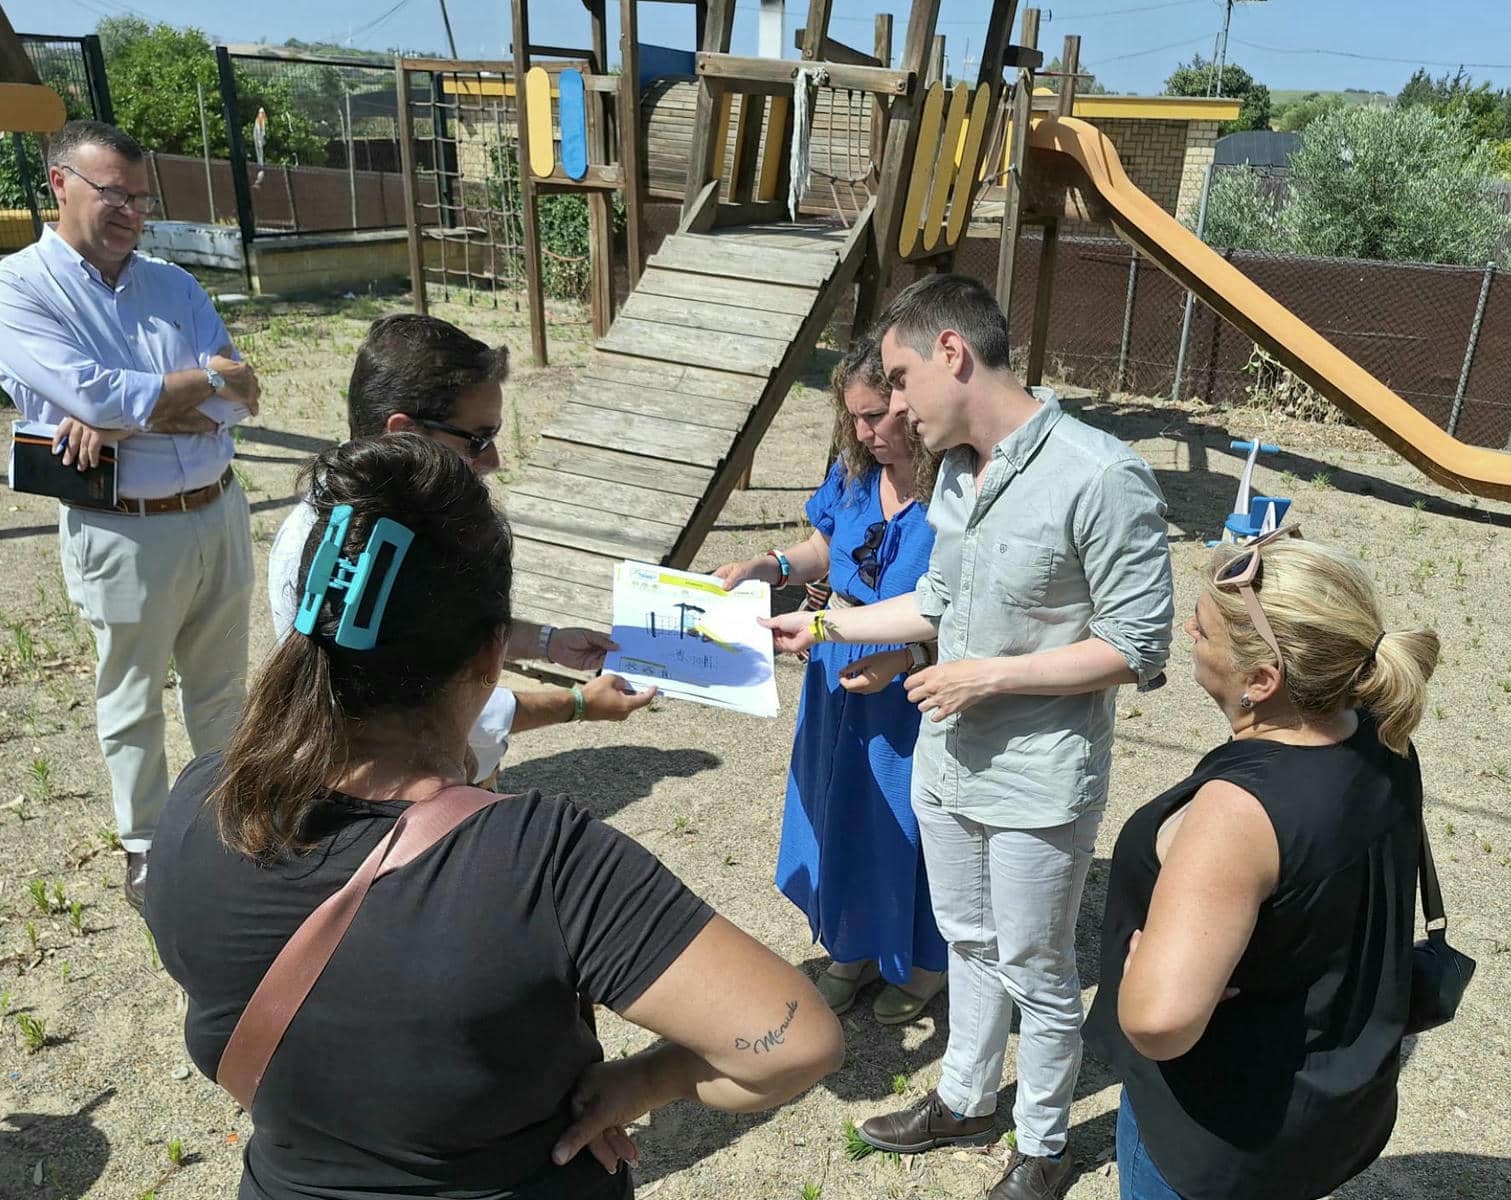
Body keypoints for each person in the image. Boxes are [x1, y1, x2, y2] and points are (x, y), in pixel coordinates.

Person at [146, 434, 845, 1200]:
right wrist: (648, 1079)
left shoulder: (200, 803)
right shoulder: (539, 860)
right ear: (488, 657)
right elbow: (796, 1042)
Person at [764, 275, 1174, 1200]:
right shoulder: (957, 474)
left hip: (1036, 778)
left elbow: (1138, 647)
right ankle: (963, 1097)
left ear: (952, 353)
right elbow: (936, 602)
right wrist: (820, 627)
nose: (895, 407)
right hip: (948, 765)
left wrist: (991, 674)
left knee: (1037, 965)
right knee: (967, 939)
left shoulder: (1101, 474)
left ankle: (1043, 1145)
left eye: (902, 380)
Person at [1085, 527, 1439, 1200]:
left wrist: (1138, 978)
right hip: (1329, 1110)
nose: (1189, 628)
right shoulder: (1382, 734)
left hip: (1218, 1138)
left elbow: (1158, 1022)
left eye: (1206, 630)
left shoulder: (1238, 814)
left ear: (1262, 679)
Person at [0, 119, 260, 911]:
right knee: (130, 697)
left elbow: (244, 396)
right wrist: (186, 387)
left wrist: (133, 407)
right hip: (122, 526)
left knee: (221, 688)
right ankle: (145, 848)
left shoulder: (173, 283)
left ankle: (230, 822)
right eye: (116, 193)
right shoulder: (17, 288)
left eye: (142, 196)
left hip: (216, 509)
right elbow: (99, 395)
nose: (134, 211)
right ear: (60, 184)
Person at [267, 313, 653, 782]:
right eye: (478, 438)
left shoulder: (399, 520)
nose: (492, 459)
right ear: (403, 432)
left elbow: (447, 629)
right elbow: (446, 712)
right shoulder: (339, 553)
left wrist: (549, 642)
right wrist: (577, 703)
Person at [714, 337, 947, 1025]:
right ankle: (851, 947)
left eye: (878, 414)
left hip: (910, 683)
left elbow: (962, 604)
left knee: (908, 823)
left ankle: (925, 964)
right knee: (839, 806)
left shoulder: (956, 490)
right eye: (854, 419)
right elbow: (825, 548)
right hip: (834, 670)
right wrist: (770, 566)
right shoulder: (853, 473)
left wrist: (906, 657)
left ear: (911, 399)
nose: (866, 432)